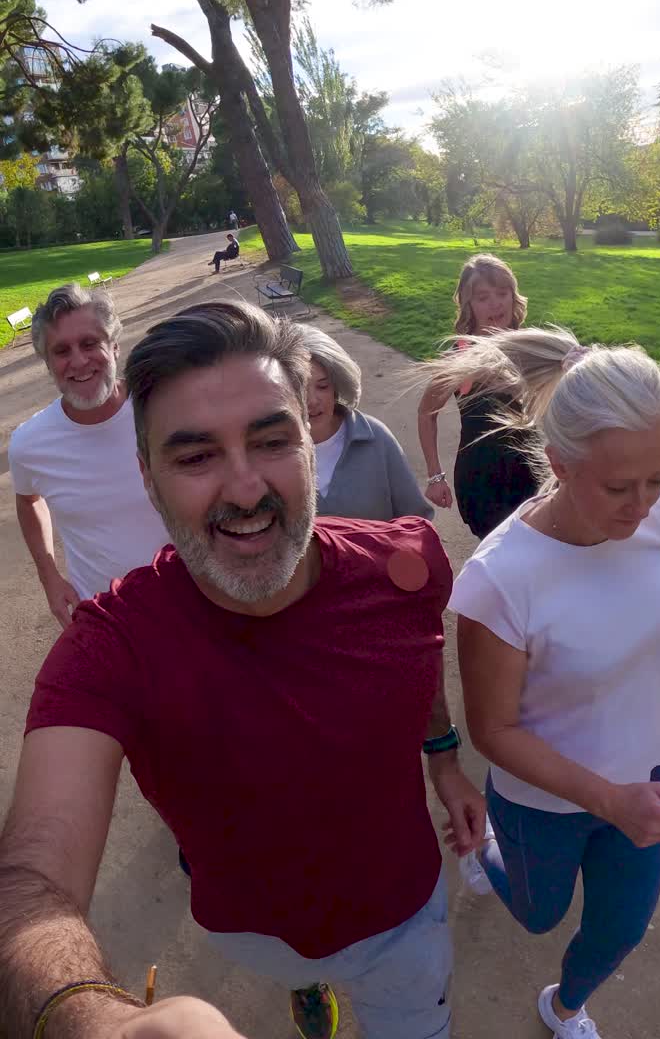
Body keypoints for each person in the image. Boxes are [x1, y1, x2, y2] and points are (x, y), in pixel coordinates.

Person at [0, 301, 486, 1039]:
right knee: (298, 970)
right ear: (148, 478)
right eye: (196, 457)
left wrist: (445, 759)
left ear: (311, 443)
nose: (246, 488)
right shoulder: (109, 648)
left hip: (404, 923)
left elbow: (418, 657)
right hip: (253, 933)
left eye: (272, 440)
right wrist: (98, 1023)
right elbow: (30, 882)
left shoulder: (406, 563)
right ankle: (306, 983)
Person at [428, 325, 660, 1039]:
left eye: (656, 479)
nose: (642, 503)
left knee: (620, 929)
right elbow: (493, 731)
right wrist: (607, 800)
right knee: (538, 914)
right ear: (558, 463)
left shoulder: (649, 517)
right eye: (618, 486)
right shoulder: (501, 580)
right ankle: (486, 846)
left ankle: (565, 1006)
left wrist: (628, 793)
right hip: (543, 801)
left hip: (647, 776)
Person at [8, 283, 169, 626]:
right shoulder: (30, 444)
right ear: (48, 363)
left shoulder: (163, 409)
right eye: (61, 350)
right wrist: (49, 577)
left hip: (195, 601)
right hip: (107, 615)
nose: (79, 361)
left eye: (90, 343)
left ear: (114, 346)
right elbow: (28, 501)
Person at [417, 253, 536, 538]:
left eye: (502, 293)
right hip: (484, 483)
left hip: (533, 472)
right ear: (468, 304)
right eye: (483, 297)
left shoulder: (530, 347)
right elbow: (426, 413)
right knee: (500, 556)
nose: (496, 303)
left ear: (513, 296)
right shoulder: (461, 357)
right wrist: (435, 476)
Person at [301, 324, 433, 522]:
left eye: (323, 386)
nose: (312, 400)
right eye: (300, 388)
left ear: (337, 386)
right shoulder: (263, 454)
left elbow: (416, 520)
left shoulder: (376, 437)